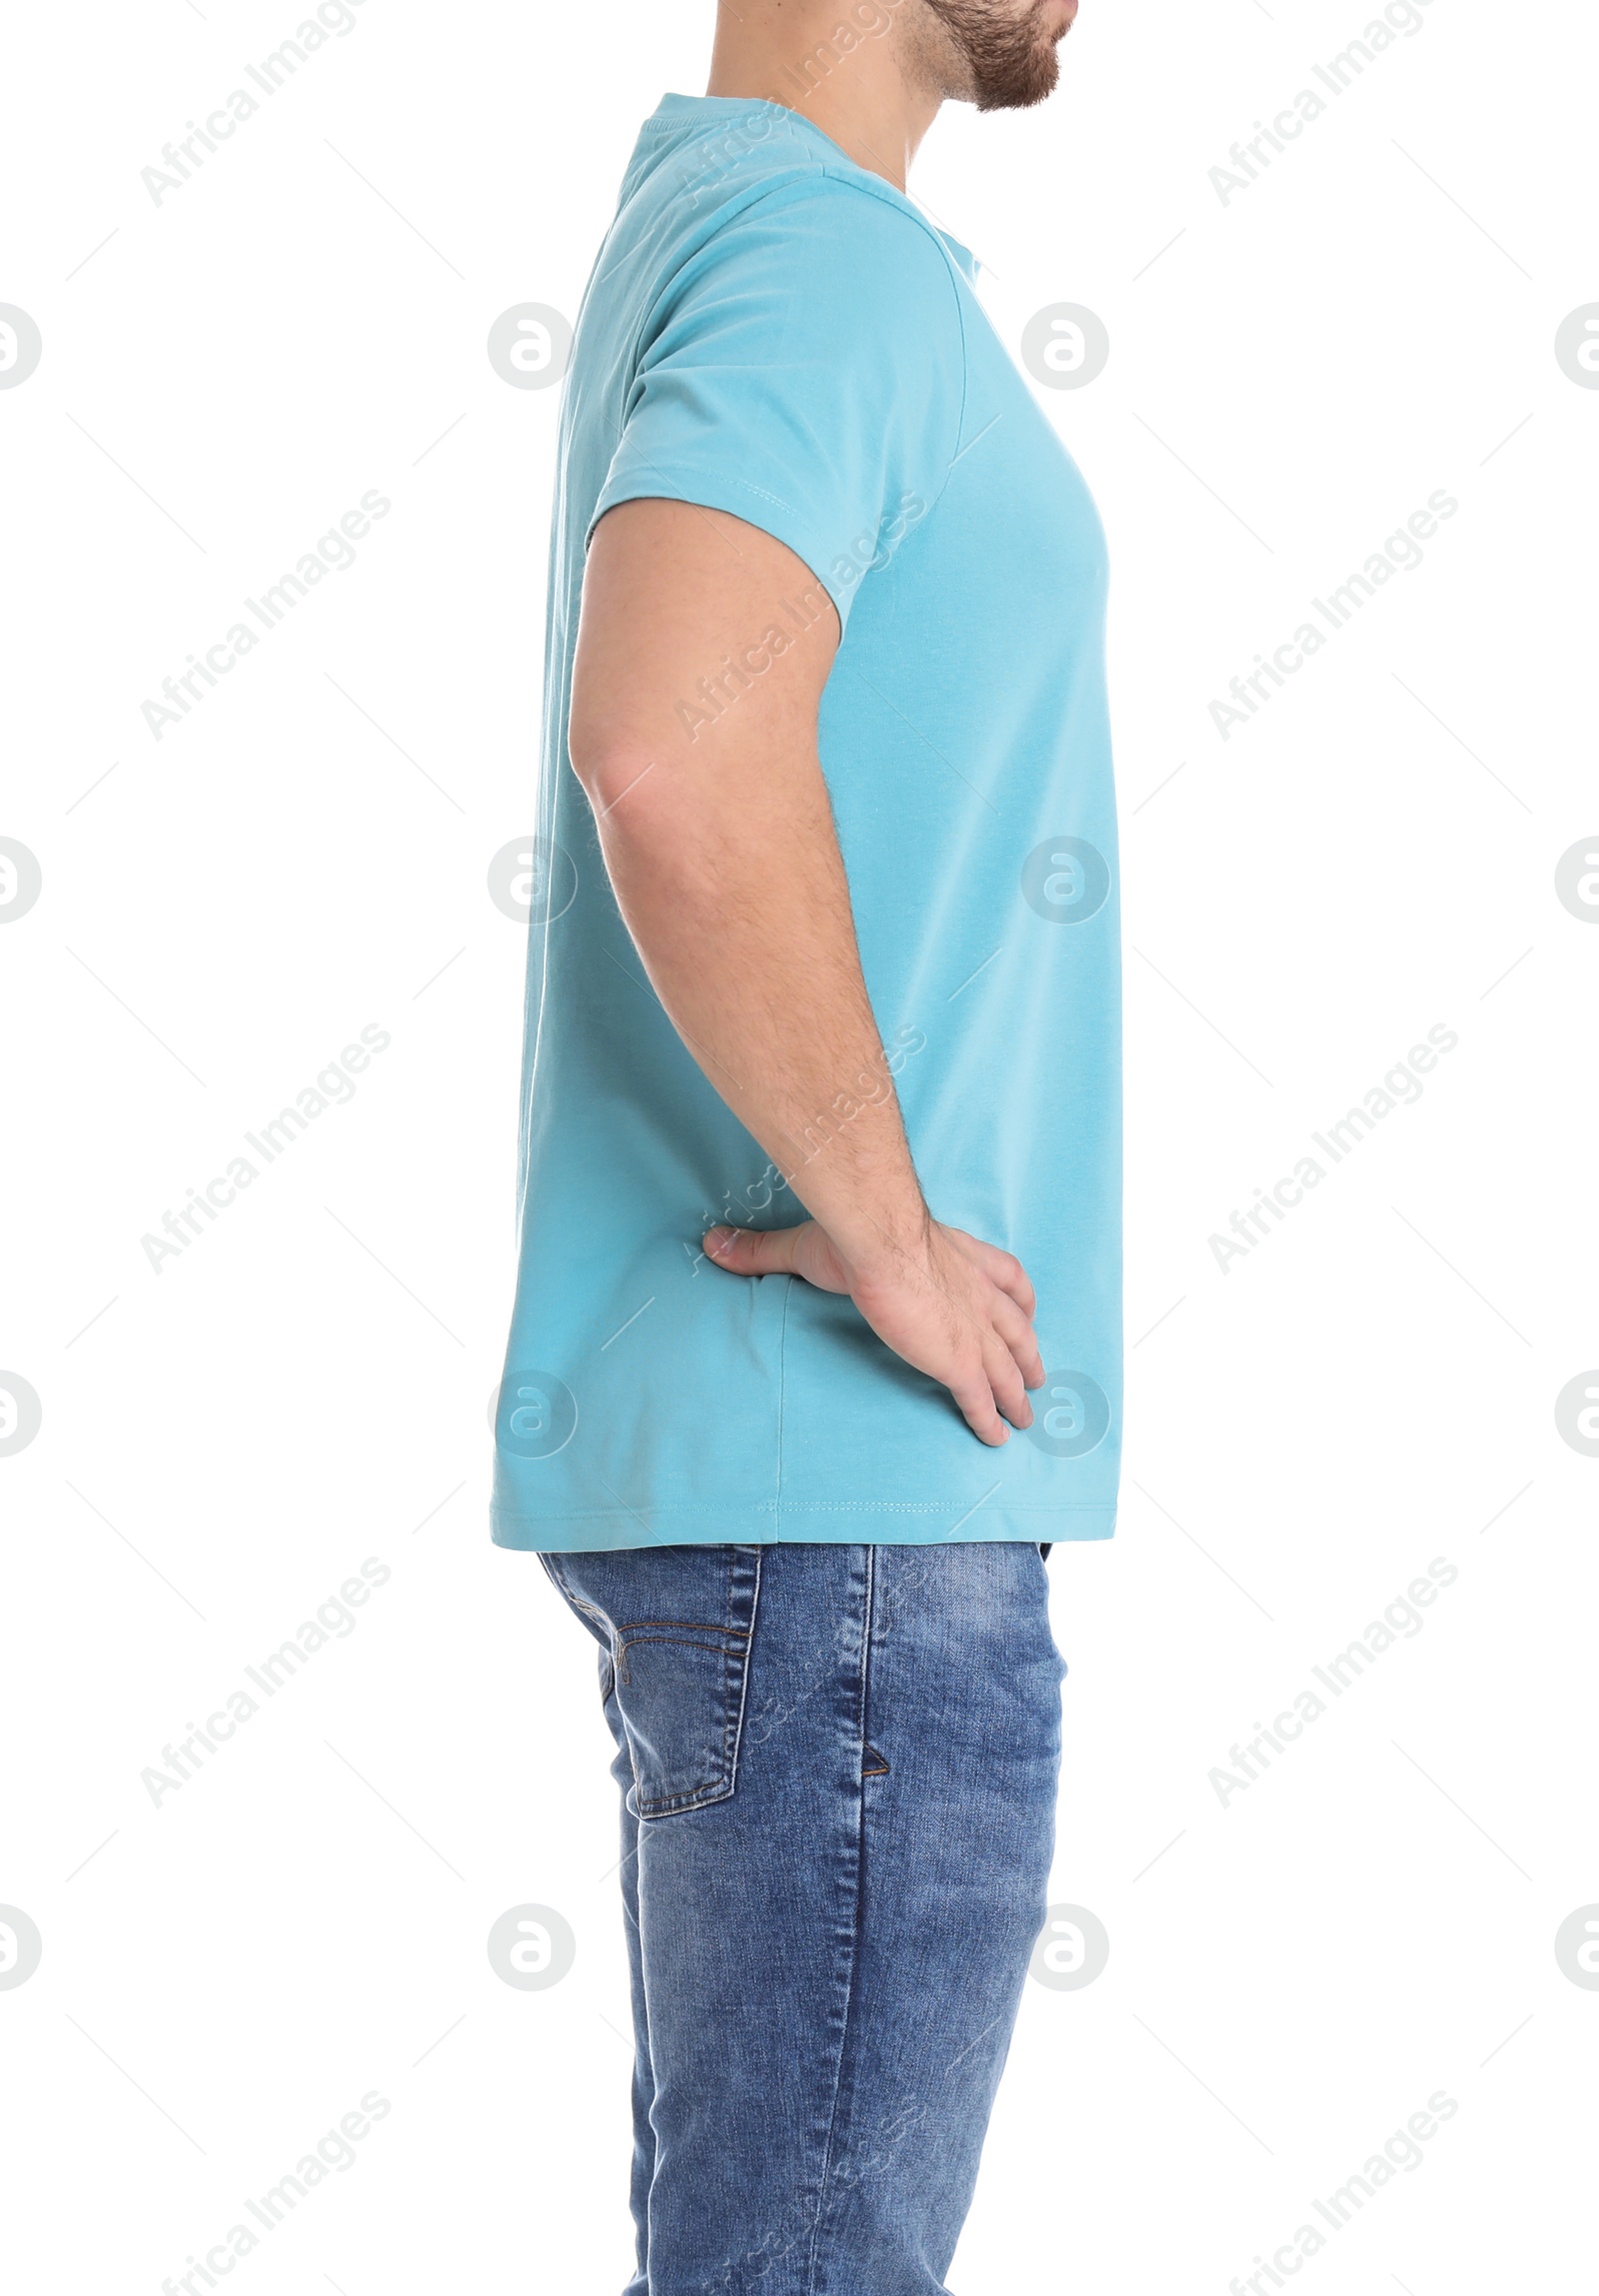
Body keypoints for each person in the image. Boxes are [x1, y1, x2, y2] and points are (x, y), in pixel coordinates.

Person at [493, 1, 1119, 2286]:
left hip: (802, 1514)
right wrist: (884, 1232)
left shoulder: (743, 232)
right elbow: (664, 746)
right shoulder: (810, 260)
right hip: (847, 1514)